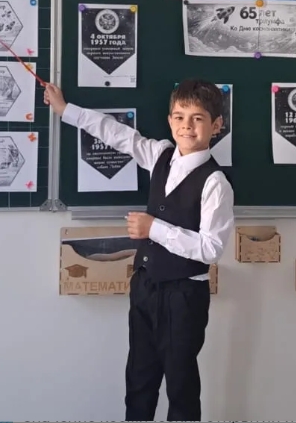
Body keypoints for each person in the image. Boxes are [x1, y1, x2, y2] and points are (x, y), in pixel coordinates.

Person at [43, 79, 235, 422]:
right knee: (139, 381)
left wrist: (154, 229)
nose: (187, 126)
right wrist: (65, 110)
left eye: (198, 118)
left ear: (217, 125)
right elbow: (117, 134)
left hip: (184, 296)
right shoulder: (161, 154)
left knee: (180, 387)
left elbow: (212, 248)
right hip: (145, 286)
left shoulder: (215, 183)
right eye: (179, 117)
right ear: (170, 120)